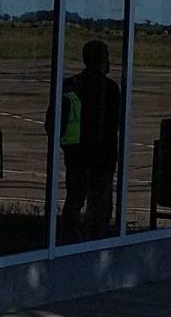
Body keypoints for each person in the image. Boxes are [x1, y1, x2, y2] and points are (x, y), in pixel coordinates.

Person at [49, 40, 121, 242]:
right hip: (101, 157)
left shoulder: (71, 84)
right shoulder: (110, 88)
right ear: (103, 60)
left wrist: (66, 145)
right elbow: (115, 123)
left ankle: (69, 238)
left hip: (76, 155)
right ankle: (94, 242)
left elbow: (52, 121)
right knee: (99, 205)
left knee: (74, 198)